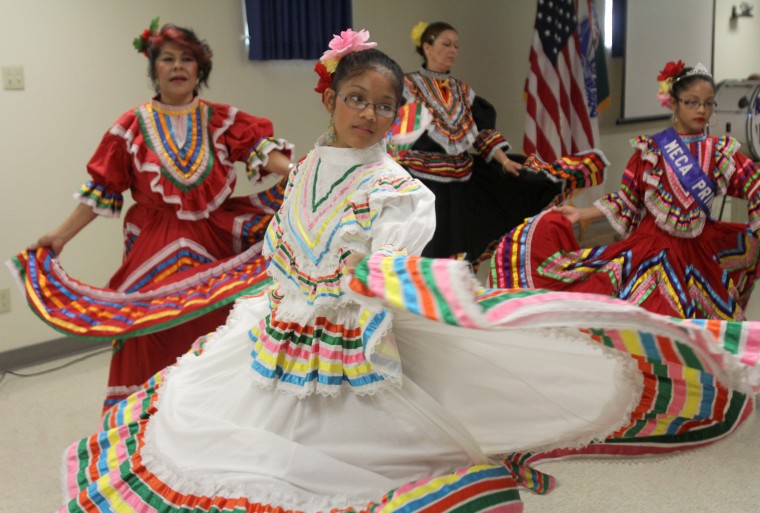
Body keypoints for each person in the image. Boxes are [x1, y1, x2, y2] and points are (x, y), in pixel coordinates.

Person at [59, 35, 760, 512]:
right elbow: (284, 246)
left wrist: (383, 287)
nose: (369, 114)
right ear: (329, 98)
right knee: (223, 436)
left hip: (351, 345)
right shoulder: (305, 165)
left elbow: (386, 265)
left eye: (385, 105)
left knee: (358, 461)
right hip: (276, 336)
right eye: (356, 98)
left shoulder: (400, 189)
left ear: (399, 115)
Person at [8, 19, 293, 408]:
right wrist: (59, 236)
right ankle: (149, 417)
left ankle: (218, 413)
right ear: (154, 69)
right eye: (168, 59)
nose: (178, 67)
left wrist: (302, 174)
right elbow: (102, 190)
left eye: (187, 59)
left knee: (221, 321)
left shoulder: (222, 119)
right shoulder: (131, 127)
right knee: (146, 328)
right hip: (154, 239)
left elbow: (263, 151)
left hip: (215, 236)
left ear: (200, 69)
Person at [490, 61, 760, 321]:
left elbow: (754, 184)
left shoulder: (722, 152)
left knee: (712, 329)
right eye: (692, 102)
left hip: (701, 253)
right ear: (674, 103)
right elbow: (627, 201)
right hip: (653, 252)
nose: (701, 109)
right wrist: (581, 214)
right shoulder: (651, 150)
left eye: (708, 102)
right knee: (652, 322)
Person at [392, 21, 596, 266]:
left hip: (460, 183)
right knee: (426, 244)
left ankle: (454, 292)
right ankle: (421, 293)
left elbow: (482, 132)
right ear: (427, 47)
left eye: (456, 45)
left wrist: (505, 160)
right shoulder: (407, 87)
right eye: (446, 44)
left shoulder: (463, 91)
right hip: (423, 182)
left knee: (458, 246)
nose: (453, 50)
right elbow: (395, 133)